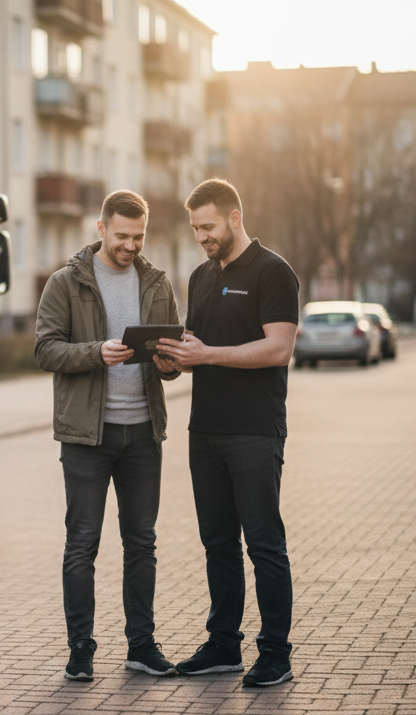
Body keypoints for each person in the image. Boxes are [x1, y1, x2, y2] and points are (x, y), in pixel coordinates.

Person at [34, 190, 181, 682]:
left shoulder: (157, 283)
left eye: (139, 237)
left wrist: (167, 363)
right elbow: (46, 350)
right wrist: (96, 353)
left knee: (142, 543)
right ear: (101, 229)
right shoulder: (65, 282)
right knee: (82, 543)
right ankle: (81, 650)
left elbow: (171, 367)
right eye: (122, 236)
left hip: (143, 435)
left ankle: (141, 645)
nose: (131, 246)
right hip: (86, 438)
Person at [157, 179, 298, 687]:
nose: (201, 236)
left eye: (209, 226)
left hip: (256, 431)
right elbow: (199, 348)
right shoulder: (198, 275)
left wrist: (207, 354)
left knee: (264, 543)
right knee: (217, 541)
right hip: (206, 430)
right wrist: (172, 361)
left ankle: (276, 653)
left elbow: (278, 348)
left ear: (235, 218)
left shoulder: (273, 271)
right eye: (195, 228)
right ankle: (223, 646)